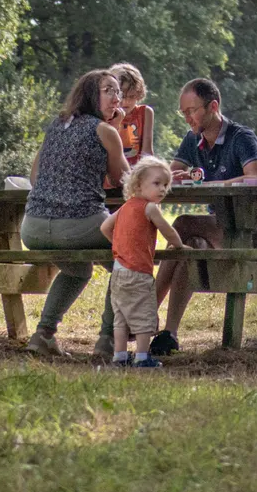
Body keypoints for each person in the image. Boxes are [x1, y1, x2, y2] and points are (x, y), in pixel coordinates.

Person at [150, 77, 257, 355]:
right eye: (184, 112)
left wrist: (218, 185)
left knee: (182, 224)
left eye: (192, 111)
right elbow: (169, 174)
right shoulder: (193, 140)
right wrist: (173, 175)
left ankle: (143, 312)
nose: (188, 118)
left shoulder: (241, 137)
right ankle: (169, 334)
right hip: (218, 231)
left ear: (213, 106)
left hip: (248, 231)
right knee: (192, 246)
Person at [19, 69, 128, 358]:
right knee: (127, 257)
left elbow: (34, 176)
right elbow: (124, 181)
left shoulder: (57, 125)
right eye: (109, 90)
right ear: (91, 94)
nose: (117, 97)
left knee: (77, 269)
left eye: (119, 91)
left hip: (33, 228)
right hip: (79, 223)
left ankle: (43, 335)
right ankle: (107, 340)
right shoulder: (105, 131)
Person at [99, 156, 184, 367]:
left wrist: (119, 245)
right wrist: (179, 245)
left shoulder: (125, 207)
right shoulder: (150, 208)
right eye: (157, 184)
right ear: (138, 185)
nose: (163, 189)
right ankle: (142, 357)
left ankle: (119, 356)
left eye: (166, 184)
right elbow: (168, 230)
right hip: (138, 271)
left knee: (121, 316)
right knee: (144, 316)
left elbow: (104, 228)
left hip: (119, 270)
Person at [107, 62, 155, 166]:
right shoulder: (106, 114)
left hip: (135, 174)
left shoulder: (145, 113)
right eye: (122, 96)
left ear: (139, 94)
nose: (126, 102)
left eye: (132, 97)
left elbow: (147, 152)